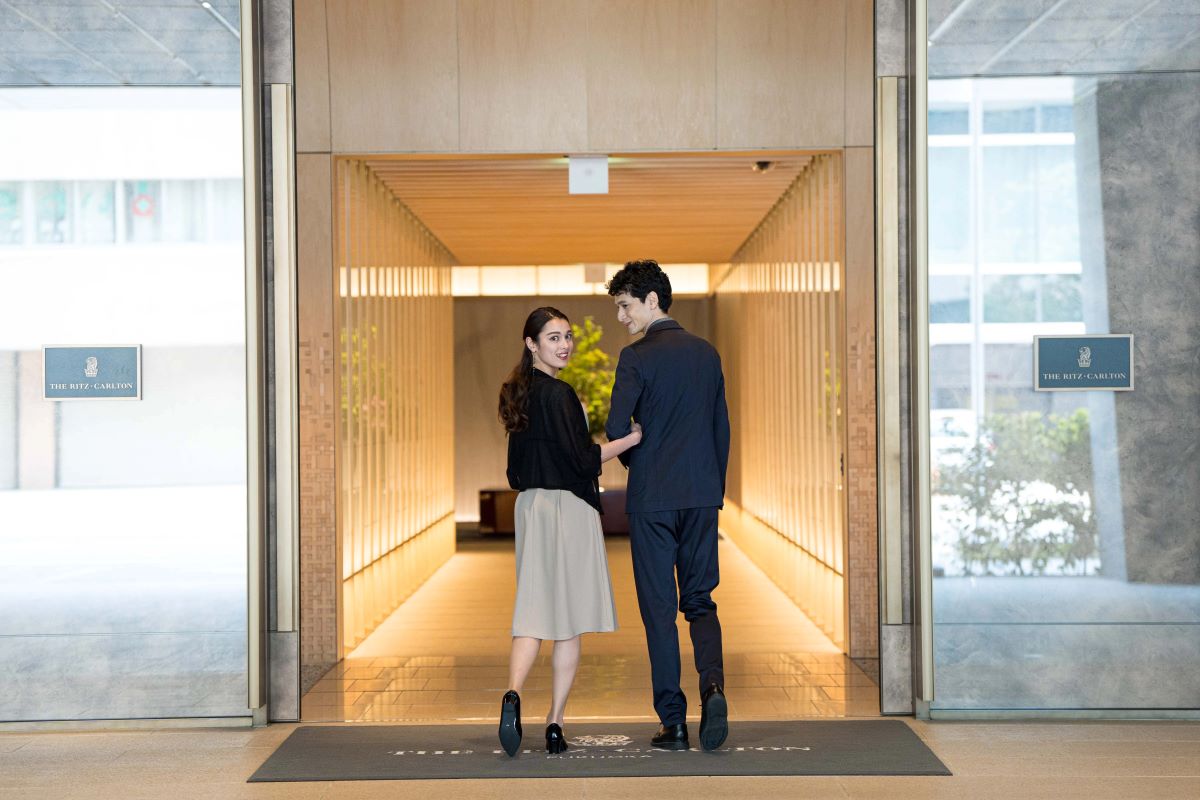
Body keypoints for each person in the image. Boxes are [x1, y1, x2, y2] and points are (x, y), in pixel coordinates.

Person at [496, 306, 643, 757]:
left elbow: (513, 469)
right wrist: (631, 439)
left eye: (567, 336)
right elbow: (582, 461)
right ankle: (555, 722)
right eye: (554, 338)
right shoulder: (560, 395)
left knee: (533, 608)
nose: (565, 346)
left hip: (531, 507)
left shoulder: (516, 392)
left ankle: (512, 694)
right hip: (569, 509)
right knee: (569, 619)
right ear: (532, 344)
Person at [604, 260, 731, 752]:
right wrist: (711, 488)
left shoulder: (635, 358)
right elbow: (720, 428)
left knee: (659, 611)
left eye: (625, 305)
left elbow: (618, 428)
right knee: (700, 600)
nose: (621, 316)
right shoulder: (706, 353)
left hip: (652, 500)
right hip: (701, 496)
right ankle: (713, 688)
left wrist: (640, 461)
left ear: (651, 300)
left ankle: (673, 722)